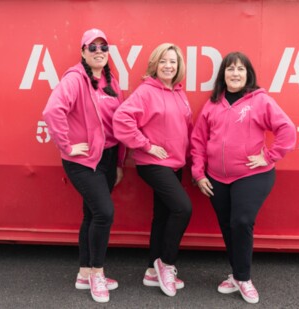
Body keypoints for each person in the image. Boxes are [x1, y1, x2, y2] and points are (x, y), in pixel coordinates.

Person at [190, 52, 297, 304]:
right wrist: (198, 173)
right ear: (223, 74)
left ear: (248, 74)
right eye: (230, 69)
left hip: (252, 175)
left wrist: (270, 156)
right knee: (228, 226)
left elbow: (287, 130)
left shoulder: (260, 101)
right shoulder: (212, 104)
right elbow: (197, 141)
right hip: (216, 178)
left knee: (241, 221)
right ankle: (236, 274)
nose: (235, 74)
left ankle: (244, 278)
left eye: (240, 69)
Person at [42, 28, 125, 303]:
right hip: (82, 161)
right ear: (83, 52)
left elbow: (119, 124)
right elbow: (53, 111)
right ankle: (98, 275)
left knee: (91, 215)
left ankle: (84, 273)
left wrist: (120, 162)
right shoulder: (75, 79)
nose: (99, 52)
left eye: (103, 47)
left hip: (109, 158)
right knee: (104, 213)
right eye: (93, 47)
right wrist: (67, 146)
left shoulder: (111, 81)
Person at [112, 43, 192, 297]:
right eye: (163, 61)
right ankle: (166, 264)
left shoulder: (179, 92)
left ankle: (151, 269)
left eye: (173, 61)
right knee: (182, 208)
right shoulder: (147, 91)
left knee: (164, 214)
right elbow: (121, 119)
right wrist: (145, 145)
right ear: (155, 65)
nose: (168, 66)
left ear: (179, 66)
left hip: (175, 163)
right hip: (154, 164)